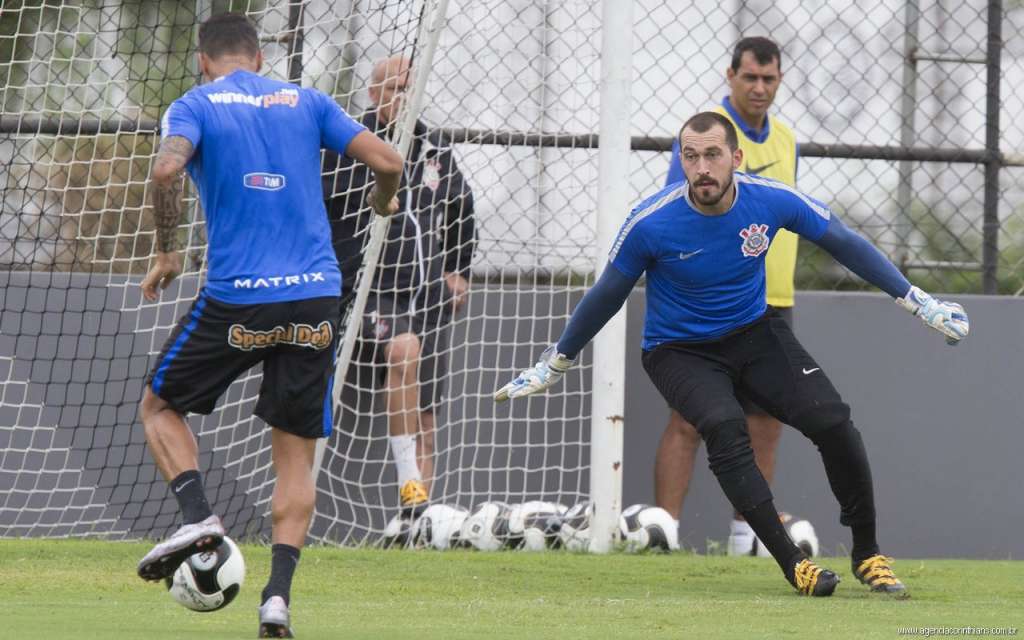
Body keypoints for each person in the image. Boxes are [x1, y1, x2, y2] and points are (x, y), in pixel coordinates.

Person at [496, 112, 968, 597]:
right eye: (691, 156)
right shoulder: (650, 222)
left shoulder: (772, 200)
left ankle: (868, 554)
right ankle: (794, 563)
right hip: (677, 351)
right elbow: (607, 294)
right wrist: (557, 361)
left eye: (712, 155)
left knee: (832, 420)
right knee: (724, 425)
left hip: (753, 333)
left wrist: (918, 302)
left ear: (736, 159)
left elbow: (845, 243)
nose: (701, 167)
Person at [135, 13, 402, 637]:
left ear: (204, 60)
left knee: (158, 406)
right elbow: (387, 159)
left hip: (239, 300)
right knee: (295, 457)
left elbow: (167, 171)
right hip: (314, 301)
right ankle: (277, 600)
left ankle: (199, 517)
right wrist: (382, 200)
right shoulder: (306, 100)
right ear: (258, 57)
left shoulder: (194, 104)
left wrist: (168, 252)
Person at [660, 36, 801, 555]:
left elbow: (790, 213)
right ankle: (665, 529)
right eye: (750, 77)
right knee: (691, 417)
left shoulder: (786, 138)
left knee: (765, 419)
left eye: (768, 78)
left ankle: (748, 532)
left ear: (779, 79)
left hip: (772, 299)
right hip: (707, 299)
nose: (759, 87)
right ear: (730, 76)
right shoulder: (706, 136)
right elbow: (681, 208)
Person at [322, 55, 476, 524]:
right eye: (393, 90)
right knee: (403, 349)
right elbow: (322, 209)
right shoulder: (348, 143)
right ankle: (408, 488)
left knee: (428, 418)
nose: (401, 99)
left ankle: (416, 519)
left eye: (409, 90)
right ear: (373, 94)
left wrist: (457, 268)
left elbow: (463, 210)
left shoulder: (434, 148)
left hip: (426, 294)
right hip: (370, 292)